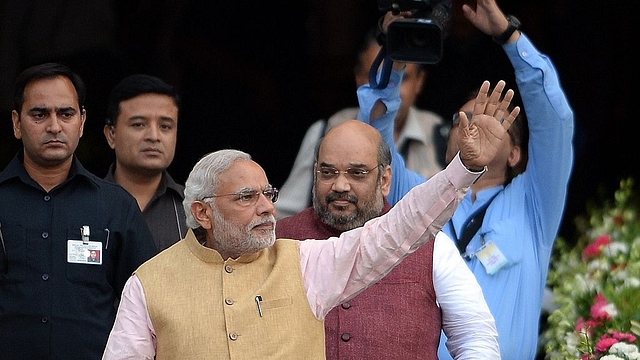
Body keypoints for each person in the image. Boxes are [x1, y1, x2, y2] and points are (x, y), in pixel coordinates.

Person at [101, 79, 520, 359]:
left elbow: (399, 229)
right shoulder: (149, 283)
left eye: (269, 194)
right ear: (202, 212)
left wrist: (463, 168)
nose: (267, 207)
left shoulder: (302, 260)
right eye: (247, 197)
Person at [276, 118, 499, 359]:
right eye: (328, 172)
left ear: (384, 180)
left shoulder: (432, 247)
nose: (340, 185)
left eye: (357, 173)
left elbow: (475, 336)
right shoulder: (279, 242)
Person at [436, 1, 575, 359]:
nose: (474, 127)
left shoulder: (535, 203)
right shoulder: (419, 196)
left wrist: (509, 36)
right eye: (462, 118)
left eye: (494, 120)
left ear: (515, 154)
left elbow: (554, 122)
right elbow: (376, 152)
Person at [0, 62, 157, 359]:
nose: (54, 126)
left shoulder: (116, 206)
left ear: (82, 122)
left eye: (66, 113)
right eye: (39, 114)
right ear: (17, 123)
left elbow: (148, 303)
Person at [275, 28, 446, 219]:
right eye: (377, 78)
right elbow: (284, 215)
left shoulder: (442, 135)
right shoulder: (325, 131)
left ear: (419, 82)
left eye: (401, 78)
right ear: (358, 78)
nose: (389, 89)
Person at [103, 74, 187, 251]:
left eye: (165, 126)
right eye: (139, 125)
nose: (154, 136)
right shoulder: (84, 205)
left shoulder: (195, 210)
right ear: (111, 134)